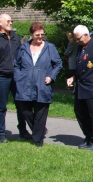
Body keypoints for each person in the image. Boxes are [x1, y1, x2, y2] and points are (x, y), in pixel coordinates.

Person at [13, 23, 62, 147]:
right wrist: (18, 77)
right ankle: (39, 131)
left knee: (41, 112)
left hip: (42, 84)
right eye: (37, 35)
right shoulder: (24, 48)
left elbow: (58, 64)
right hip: (25, 84)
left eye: (42, 34)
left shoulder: (50, 47)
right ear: (31, 35)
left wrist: (51, 76)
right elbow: (16, 64)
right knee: (25, 110)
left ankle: (37, 141)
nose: (40, 37)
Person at [0, 14, 29, 143]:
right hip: (2, 77)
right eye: (8, 21)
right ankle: (1, 134)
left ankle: (23, 131)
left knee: (21, 105)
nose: (11, 22)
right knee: (1, 107)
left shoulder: (15, 37)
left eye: (11, 20)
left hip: (16, 76)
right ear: (1, 23)